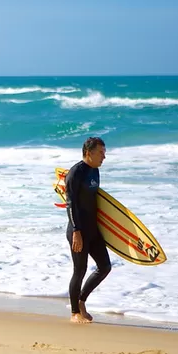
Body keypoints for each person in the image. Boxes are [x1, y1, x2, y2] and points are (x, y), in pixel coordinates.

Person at [64, 136, 112, 324]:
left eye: (104, 153)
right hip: (79, 230)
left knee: (105, 266)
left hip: (94, 229)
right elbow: (70, 204)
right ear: (88, 153)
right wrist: (76, 231)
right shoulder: (76, 173)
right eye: (101, 153)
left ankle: (82, 300)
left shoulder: (95, 172)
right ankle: (74, 312)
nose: (104, 157)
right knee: (80, 270)